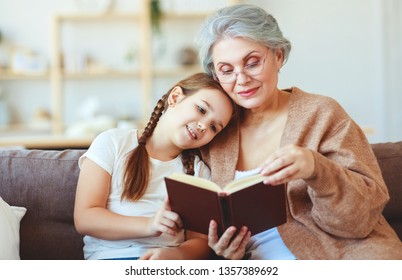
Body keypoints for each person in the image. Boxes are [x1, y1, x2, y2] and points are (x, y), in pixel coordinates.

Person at [195, 4, 402, 259]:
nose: (241, 79)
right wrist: (222, 250)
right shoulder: (215, 131)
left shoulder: (322, 113)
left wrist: (316, 168)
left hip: (343, 255)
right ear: (216, 75)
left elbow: (360, 220)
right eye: (227, 70)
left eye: (252, 63)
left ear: (278, 56)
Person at [73, 73, 234, 260]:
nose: (203, 125)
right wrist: (149, 225)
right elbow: (85, 218)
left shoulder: (199, 173)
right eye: (201, 109)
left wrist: (176, 255)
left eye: (214, 127)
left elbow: (199, 241)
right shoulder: (113, 142)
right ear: (175, 97)